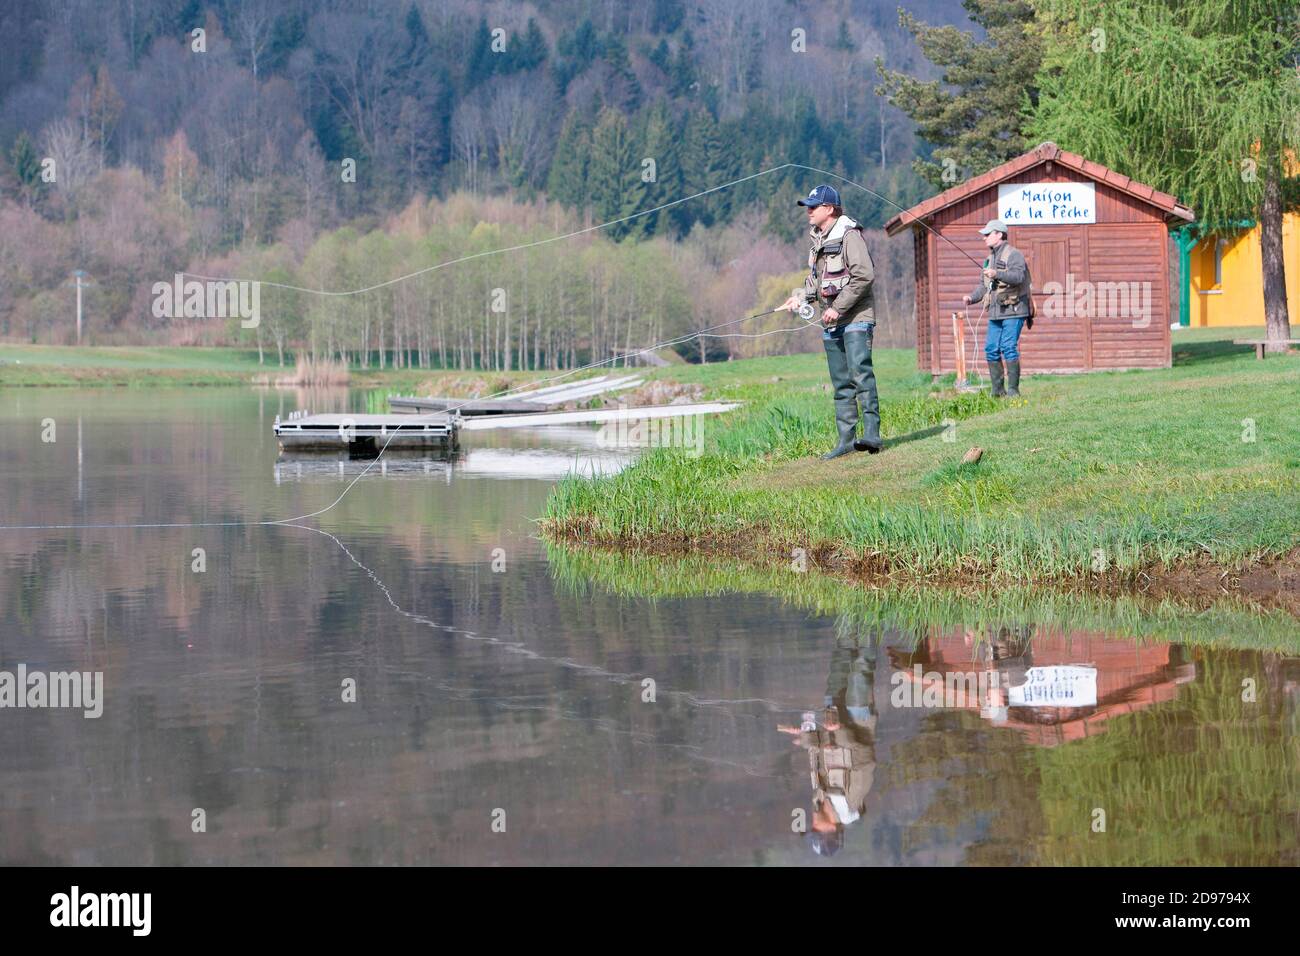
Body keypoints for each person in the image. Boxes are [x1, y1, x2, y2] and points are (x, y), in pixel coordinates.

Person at [780, 184, 881, 458]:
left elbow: (864, 276)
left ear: (830, 208)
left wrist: (838, 308)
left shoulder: (850, 237)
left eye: (813, 206)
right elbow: (815, 281)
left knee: (861, 375)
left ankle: (871, 436)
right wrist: (799, 298)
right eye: (807, 206)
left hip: (857, 318)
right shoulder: (818, 240)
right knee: (841, 384)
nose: (808, 211)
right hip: (831, 322)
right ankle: (847, 442)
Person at [963, 219, 1031, 397]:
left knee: (1008, 347)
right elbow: (983, 286)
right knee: (991, 349)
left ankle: (1013, 391)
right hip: (995, 312)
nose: (984, 238)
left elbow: (1018, 277)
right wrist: (972, 298)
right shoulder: (988, 260)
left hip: (1014, 310)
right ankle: (998, 393)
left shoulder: (1014, 254)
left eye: (987, 234)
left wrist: (997, 273)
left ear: (999, 234)